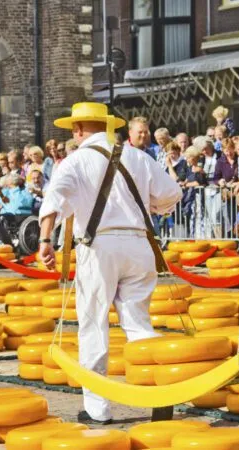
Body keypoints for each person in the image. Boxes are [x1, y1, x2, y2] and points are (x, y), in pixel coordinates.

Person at [37, 102, 181, 425]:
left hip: (99, 246)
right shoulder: (138, 156)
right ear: (109, 127)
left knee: (93, 324)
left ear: (77, 130)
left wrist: (45, 241)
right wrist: (149, 206)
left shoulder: (75, 160)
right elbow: (171, 194)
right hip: (139, 245)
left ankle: (98, 409)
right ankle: (159, 392)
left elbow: (54, 200)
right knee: (138, 323)